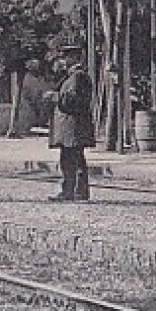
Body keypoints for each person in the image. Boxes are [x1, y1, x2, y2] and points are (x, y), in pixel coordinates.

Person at [46, 43, 95, 201]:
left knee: (69, 160)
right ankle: (78, 191)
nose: (63, 60)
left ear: (73, 58)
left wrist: (56, 97)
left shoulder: (77, 76)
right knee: (75, 159)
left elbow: (75, 100)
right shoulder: (71, 76)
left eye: (66, 57)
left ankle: (70, 192)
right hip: (71, 127)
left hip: (73, 126)